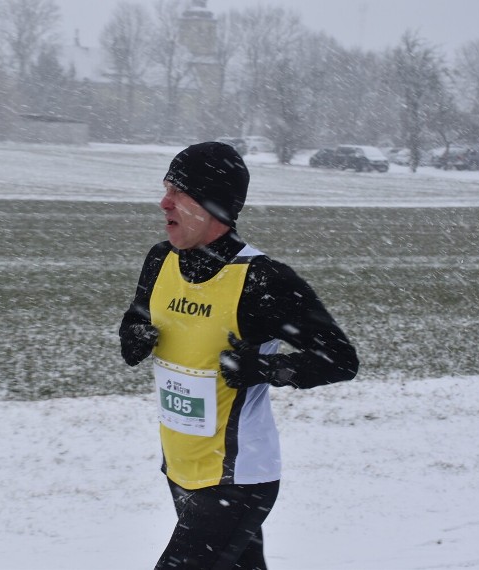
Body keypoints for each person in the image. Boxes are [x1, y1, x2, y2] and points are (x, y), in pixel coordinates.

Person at [119, 141, 359, 569]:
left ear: (211, 203)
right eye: (165, 189)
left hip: (238, 477)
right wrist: (134, 337)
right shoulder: (160, 260)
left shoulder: (263, 280)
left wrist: (266, 368)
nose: (163, 202)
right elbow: (134, 320)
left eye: (177, 191)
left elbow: (340, 359)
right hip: (180, 466)